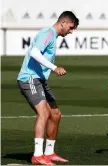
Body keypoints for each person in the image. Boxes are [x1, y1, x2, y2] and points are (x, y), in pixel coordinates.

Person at [17, 11, 79, 165]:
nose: (71, 31)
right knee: (43, 113)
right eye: (71, 27)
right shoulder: (48, 33)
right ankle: (37, 156)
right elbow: (34, 52)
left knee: (55, 114)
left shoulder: (52, 36)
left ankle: (49, 152)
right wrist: (54, 67)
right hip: (29, 78)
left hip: (40, 80)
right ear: (63, 22)